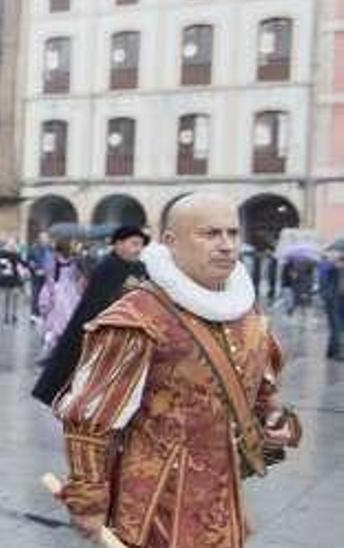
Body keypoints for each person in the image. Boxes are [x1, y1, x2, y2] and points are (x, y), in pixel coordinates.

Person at [53, 193, 301, 547]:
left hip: (222, 496)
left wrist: (274, 419)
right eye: (211, 234)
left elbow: (261, 394)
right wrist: (88, 502)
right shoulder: (138, 316)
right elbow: (91, 418)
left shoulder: (246, 312)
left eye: (232, 233)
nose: (227, 245)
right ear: (171, 242)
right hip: (157, 504)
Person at [31, 225, 149, 405]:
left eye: (141, 245)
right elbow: (98, 301)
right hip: (104, 331)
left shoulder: (140, 268)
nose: (138, 249)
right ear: (118, 244)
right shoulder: (106, 268)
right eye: (134, 244)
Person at [37, 240, 84, 355]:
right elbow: (77, 278)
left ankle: (51, 346)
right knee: (67, 318)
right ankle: (63, 345)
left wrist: (50, 293)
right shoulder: (73, 262)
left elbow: (49, 278)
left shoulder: (54, 262)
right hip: (70, 292)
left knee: (53, 319)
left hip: (57, 291)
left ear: (58, 251)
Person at [0, 239, 29, 325]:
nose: (12, 247)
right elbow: (0, 264)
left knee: (15, 296)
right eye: (11, 245)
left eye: (13, 245)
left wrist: (27, 265)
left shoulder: (17, 254)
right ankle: (6, 315)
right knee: (7, 297)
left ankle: (14, 315)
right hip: (7, 278)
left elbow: (22, 263)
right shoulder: (2, 254)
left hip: (15, 278)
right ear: (7, 246)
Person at [28, 231, 55, 318]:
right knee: (35, 294)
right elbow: (29, 262)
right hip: (36, 276)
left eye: (46, 238)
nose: (45, 240)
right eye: (43, 238)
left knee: (47, 294)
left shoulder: (51, 249)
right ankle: (34, 313)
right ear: (39, 239)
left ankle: (44, 311)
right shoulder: (33, 249)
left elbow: (53, 261)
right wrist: (35, 269)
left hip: (48, 276)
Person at [323, 250, 344, 361]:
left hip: (339, 300)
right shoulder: (331, 268)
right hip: (333, 300)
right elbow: (325, 282)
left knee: (337, 326)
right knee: (336, 326)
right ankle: (338, 352)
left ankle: (330, 351)